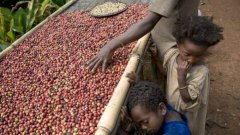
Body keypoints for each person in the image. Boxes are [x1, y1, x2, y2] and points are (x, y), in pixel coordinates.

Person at [117, 80, 191, 135]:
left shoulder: (176, 132)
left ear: (162, 109)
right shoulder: (166, 112)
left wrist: (123, 132)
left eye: (145, 122)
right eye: (140, 124)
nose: (143, 127)